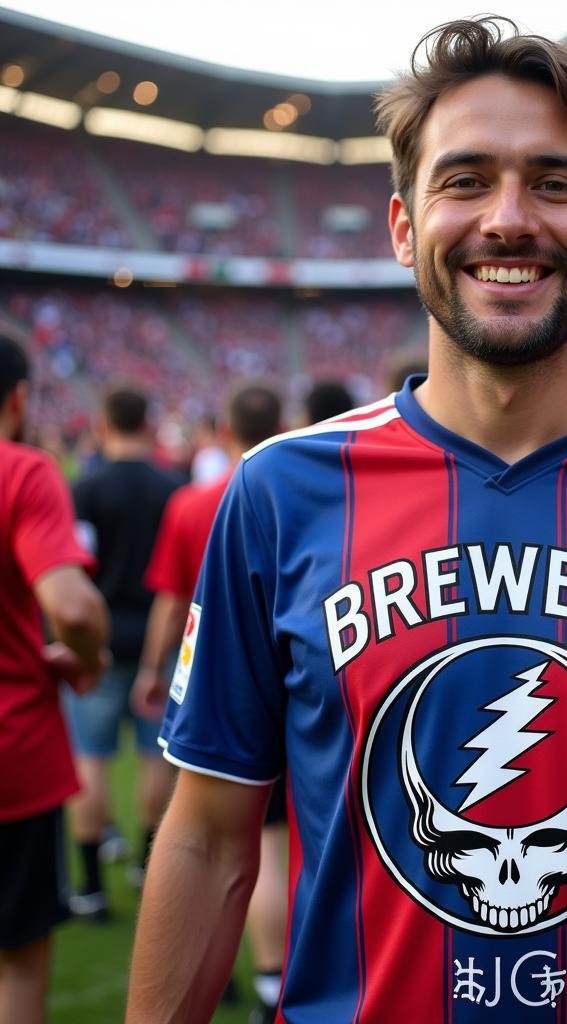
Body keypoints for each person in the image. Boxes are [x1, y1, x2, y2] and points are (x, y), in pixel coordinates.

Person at [127, 19, 567, 1024]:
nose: (507, 219)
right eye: (464, 180)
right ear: (400, 224)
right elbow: (208, 836)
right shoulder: (277, 493)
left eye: (555, 183)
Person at [133, 383, 285, 1024]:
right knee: (266, 840)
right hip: (246, 667)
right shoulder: (269, 488)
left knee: (196, 801)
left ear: (226, 427)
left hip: (211, 667)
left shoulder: (196, 501)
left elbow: (172, 596)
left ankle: (116, 860)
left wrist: (152, 664)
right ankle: (271, 982)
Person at [0, 332, 109, 1024]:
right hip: (12, 751)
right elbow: (70, 605)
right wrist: (89, 657)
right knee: (17, 956)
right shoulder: (23, 471)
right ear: (17, 399)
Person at [64, 386, 183, 918]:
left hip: (102, 635)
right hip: (162, 633)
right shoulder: (171, 486)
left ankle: (90, 885)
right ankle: (146, 864)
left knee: (91, 756)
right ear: (148, 422)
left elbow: (73, 571)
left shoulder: (85, 487)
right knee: (154, 754)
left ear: (103, 423)